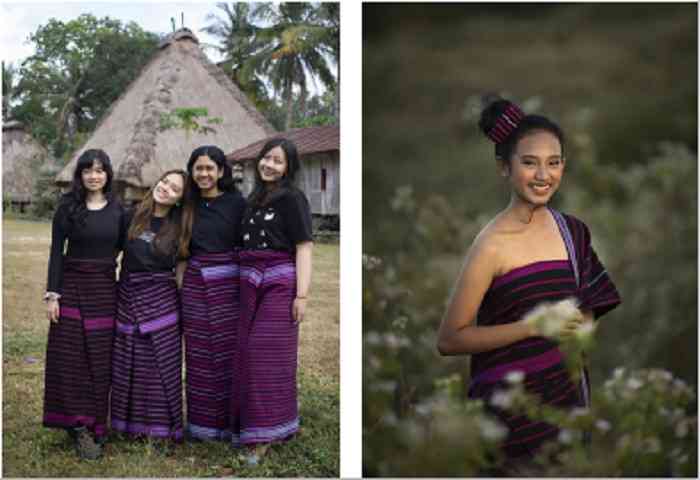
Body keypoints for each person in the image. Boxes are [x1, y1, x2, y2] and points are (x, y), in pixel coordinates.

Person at [437, 99, 621, 466]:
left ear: (563, 166)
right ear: (504, 168)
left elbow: (589, 309)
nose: (543, 175)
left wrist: (579, 329)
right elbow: (450, 339)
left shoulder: (573, 232)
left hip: (568, 407)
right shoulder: (490, 246)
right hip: (508, 421)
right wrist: (533, 327)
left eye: (553, 163)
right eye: (529, 162)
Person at [43, 149, 126, 460]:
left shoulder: (120, 210)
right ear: (79, 175)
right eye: (88, 170)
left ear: (108, 174)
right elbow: (56, 251)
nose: (94, 175)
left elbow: (123, 249)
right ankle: (76, 426)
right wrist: (53, 293)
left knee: (101, 361)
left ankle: (96, 424)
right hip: (72, 285)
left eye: (100, 170)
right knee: (70, 357)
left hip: (105, 290)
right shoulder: (67, 207)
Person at [234, 138, 313, 460]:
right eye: (267, 158)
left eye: (278, 161)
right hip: (249, 279)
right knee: (248, 352)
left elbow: (304, 246)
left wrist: (302, 295)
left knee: (264, 355)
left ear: (289, 167)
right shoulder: (253, 198)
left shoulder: (293, 199)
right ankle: (266, 424)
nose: (269, 165)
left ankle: (264, 435)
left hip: (279, 280)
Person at [110, 169, 189, 442]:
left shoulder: (180, 226)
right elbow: (112, 255)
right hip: (128, 295)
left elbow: (181, 270)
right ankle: (127, 427)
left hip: (162, 300)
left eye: (174, 188)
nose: (166, 188)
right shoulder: (130, 216)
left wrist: (183, 308)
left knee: (159, 365)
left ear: (179, 199)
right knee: (128, 360)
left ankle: (161, 431)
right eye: (164, 181)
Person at [180, 146, 247, 441]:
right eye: (198, 168)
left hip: (229, 284)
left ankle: (231, 424)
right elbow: (180, 251)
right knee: (197, 355)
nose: (204, 174)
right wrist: (181, 286)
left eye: (210, 168)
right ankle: (202, 426)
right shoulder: (186, 204)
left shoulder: (237, 203)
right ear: (191, 172)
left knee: (227, 354)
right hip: (195, 284)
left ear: (221, 171)